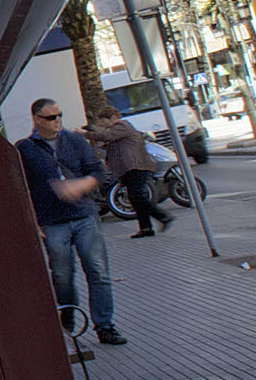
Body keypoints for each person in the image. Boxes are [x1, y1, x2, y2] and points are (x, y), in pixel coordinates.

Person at [17, 98, 123, 344]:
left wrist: (82, 184)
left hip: (84, 214)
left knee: (98, 271)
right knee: (62, 274)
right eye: (51, 117)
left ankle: (105, 325)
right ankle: (68, 319)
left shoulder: (75, 141)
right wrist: (33, 221)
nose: (58, 121)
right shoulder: (25, 149)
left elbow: (97, 171)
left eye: (59, 115)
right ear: (37, 120)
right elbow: (21, 187)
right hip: (52, 221)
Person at [85, 102, 174, 237]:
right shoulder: (116, 131)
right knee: (135, 198)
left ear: (114, 118)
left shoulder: (122, 125)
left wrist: (86, 133)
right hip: (129, 169)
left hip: (136, 167)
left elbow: (106, 136)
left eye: (106, 122)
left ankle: (163, 216)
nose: (106, 126)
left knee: (137, 196)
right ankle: (146, 228)